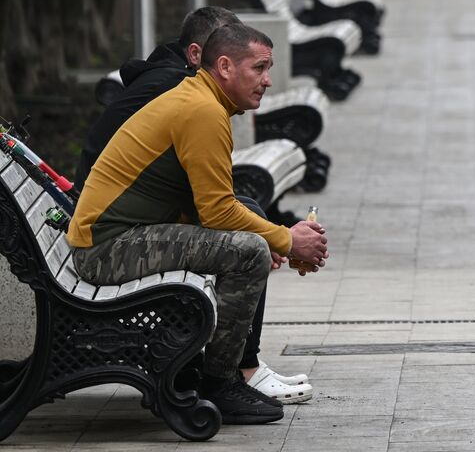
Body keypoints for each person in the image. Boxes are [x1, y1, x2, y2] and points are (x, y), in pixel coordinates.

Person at [68, 23, 330, 425]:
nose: (267, 80)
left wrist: (271, 237)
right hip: (106, 250)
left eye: (268, 69)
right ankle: (220, 383)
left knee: (250, 229)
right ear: (224, 66)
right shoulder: (203, 110)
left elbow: (207, 205)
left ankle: (217, 370)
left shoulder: (200, 100)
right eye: (259, 68)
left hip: (115, 238)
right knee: (247, 252)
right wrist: (285, 240)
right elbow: (216, 212)